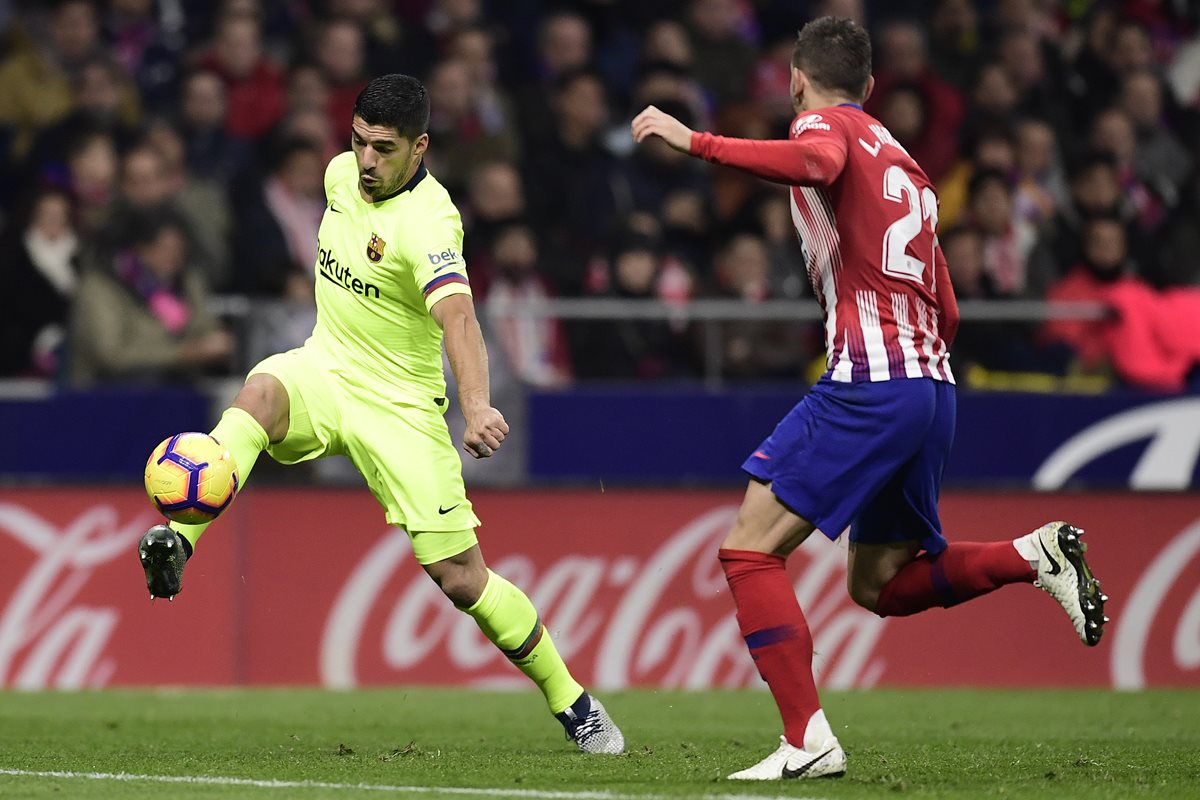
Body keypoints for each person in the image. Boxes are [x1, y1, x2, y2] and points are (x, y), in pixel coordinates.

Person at [632, 16, 1106, 782]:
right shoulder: (909, 165)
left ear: (797, 79)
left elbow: (816, 160)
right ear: (873, 85)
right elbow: (948, 308)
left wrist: (699, 142)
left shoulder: (823, 124)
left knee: (749, 550)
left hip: (870, 381)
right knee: (878, 584)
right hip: (932, 389)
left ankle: (807, 740)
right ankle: (1032, 554)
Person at [136, 74, 623, 755]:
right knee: (259, 395)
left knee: (462, 579)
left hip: (400, 407)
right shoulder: (338, 175)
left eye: (384, 148)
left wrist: (476, 403)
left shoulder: (430, 222)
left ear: (419, 147)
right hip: (326, 368)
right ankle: (178, 541)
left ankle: (574, 703)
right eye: (359, 141)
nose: (366, 160)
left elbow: (459, 318)